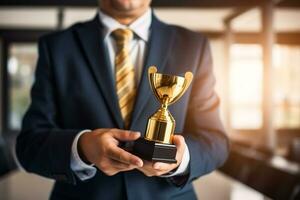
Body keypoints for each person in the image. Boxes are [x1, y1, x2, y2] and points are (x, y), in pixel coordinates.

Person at [16, 0, 229, 199]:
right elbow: (29, 145)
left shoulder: (194, 46)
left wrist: (180, 159)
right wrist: (82, 148)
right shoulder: (57, 47)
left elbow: (215, 142)